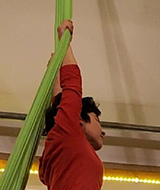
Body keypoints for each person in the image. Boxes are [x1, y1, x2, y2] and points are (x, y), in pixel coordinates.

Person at [39, 20, 105, 190]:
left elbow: (59, 104)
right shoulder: (68, 134)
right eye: (97, 119)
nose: (103, 130)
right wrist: (65, 41)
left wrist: (55, 73)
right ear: (79, 120)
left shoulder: (63, 149)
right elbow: (72, 86)